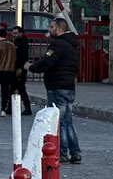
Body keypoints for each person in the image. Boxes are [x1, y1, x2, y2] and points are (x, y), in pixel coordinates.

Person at [30, 18, 81, 163]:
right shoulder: (73, 45)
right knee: (68, 121)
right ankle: (75, 152)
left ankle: (62, 152)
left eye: (51, 26)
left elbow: (47, 62)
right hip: (69, 87)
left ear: (58, 28)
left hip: (57, 87)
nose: (49, 29)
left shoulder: (57, 44)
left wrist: (31, 67)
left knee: (59, 122)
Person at [11, 25, 33, 116]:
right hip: (15, 66)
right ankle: (11, 107)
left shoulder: (23, 42)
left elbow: (23, 56)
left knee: (21, 88)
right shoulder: (17, 41)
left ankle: (27, 107)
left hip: (21, 67)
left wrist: (20, 68)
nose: (14, 35)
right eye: (13, 33)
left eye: (16, 33)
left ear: (20, 33)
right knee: (14, 87)